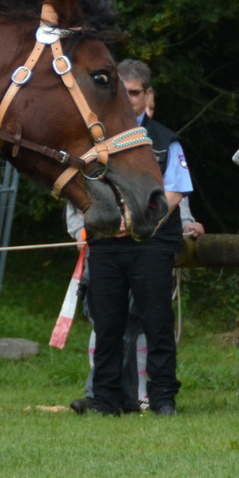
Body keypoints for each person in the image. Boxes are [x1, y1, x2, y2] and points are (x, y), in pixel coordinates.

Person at [78, 60, 191, 416]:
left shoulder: (164, 138)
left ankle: (162, 399)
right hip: (107, 243)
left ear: (147, 94)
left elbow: (175, 191)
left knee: (157, 324)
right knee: (107, 326)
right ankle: (106, 399)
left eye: (134, 93)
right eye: (120, 93)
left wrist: (140, 221)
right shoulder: (95, 139)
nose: (127, 100)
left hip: (151, 243)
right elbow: (79, 188)